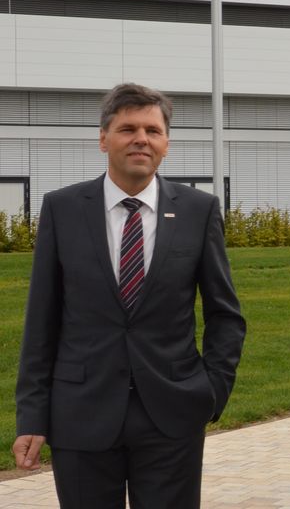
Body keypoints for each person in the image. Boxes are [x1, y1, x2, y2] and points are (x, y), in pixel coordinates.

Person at [13, 83, 246, 508]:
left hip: (172, 415)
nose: (141, 138)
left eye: (153, 130)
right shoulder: (62, 209)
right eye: (128, 129)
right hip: (82, 413)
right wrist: (32, 414)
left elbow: (225, 314)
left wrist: (212, 393)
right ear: (103, 138)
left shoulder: (199, 210)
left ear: (166, 144)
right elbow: (40, 322)